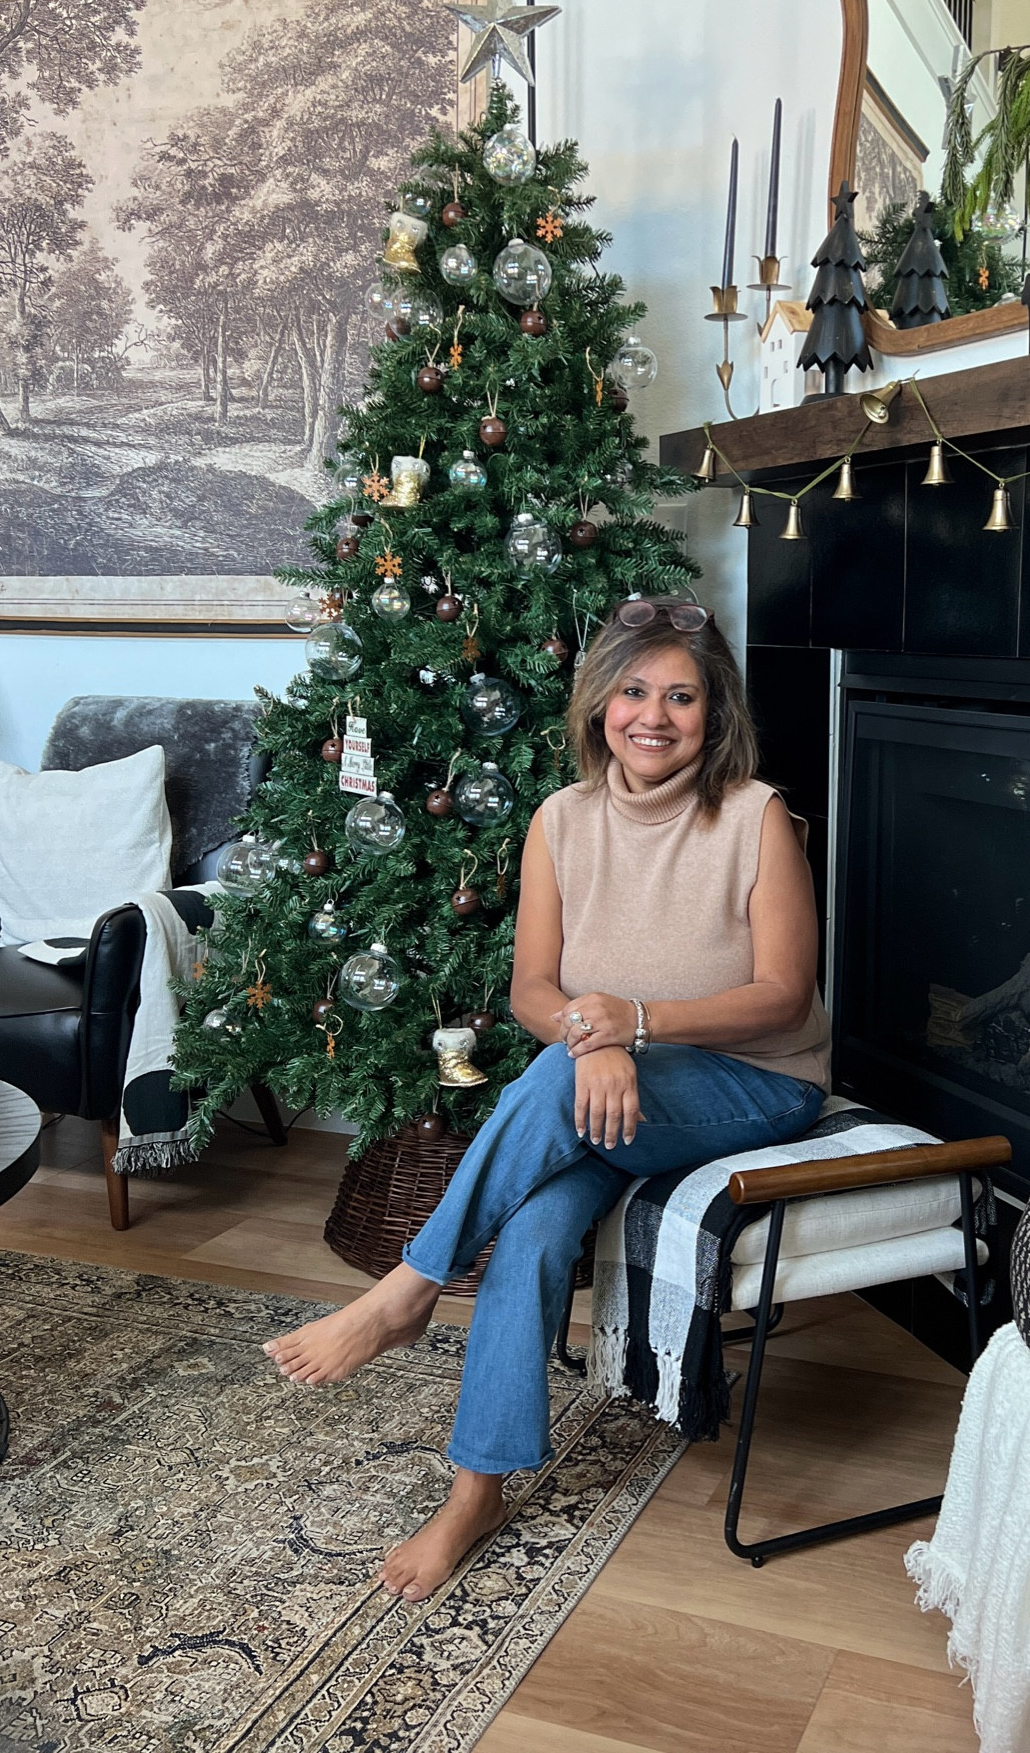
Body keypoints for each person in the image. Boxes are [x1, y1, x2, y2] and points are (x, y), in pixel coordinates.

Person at [264, 594, 831, 1599]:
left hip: (753, 1086)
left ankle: (409, 1287)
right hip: (606, 1083)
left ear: (714, 711)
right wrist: (593, 1040)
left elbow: (783, 995)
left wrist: (629, 1025)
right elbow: (533, 989)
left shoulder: (756, 817)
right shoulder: (559, 821)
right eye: (633, 690)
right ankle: (474, 1492)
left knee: (562, 1084)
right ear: (599, 702)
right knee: (530, 1229)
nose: (653, 715)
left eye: (681, 695)